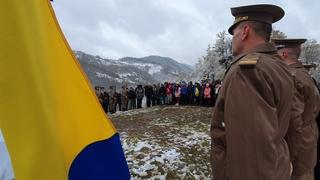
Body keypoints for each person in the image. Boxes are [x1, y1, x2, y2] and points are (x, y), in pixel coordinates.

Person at [211, 4, 295, 180]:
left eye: (234, 33)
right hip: (276, 166)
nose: (232, 39)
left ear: (245, 31)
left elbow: (251, 151)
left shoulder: (247, 71)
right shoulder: (277, 65)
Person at [273, 38, 320, 180]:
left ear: (283, 55)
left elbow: (294, 122)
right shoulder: (305, 75)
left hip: (297, 148)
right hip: (308, 141)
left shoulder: (292, 78)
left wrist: (288, 157)